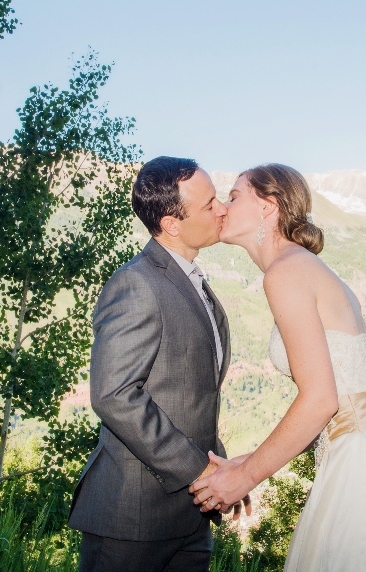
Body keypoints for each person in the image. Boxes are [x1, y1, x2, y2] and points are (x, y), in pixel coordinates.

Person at [190, 164, 366, 571]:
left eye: (234, 196)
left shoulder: (285, 272)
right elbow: (339, 399)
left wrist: (245, 477)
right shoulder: (301, 266)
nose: (224, 207)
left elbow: (320, 399)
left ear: (268, 207)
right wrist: (247, 460)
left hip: (363, 469)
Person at [68, 156, 250, 572]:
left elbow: (190, 397)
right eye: (209, 205)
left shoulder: (190, 281)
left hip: (190, 519)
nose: (221, 209)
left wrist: (222, 472)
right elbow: (115, 395)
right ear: (171, 223)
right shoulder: (136, 283)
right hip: (130, 520)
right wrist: (201, 470)